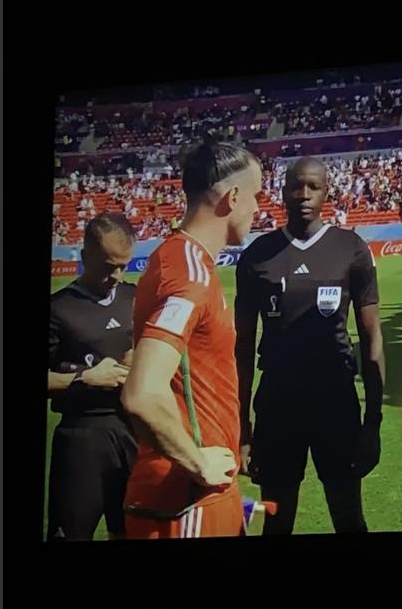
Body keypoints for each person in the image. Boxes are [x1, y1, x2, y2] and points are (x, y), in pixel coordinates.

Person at [235, 157, 385, 535]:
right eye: (296, 186)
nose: (304, 194)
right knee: (276, 521)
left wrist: (373, 423)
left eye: (313, 187)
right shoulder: (257, 255)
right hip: (277, 404)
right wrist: (241, 427)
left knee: (349, 518)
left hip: (336, 401)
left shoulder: (351, 248)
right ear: (282, 191)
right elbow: (241, 346)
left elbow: (372, 339)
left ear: (327, 192)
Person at [120, 142, 262, 539]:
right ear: (233, 197)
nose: (257, 209)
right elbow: (142, 393)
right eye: (255, 197)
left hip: (201, 491)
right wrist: (197, 462)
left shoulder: (183, 261)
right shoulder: (189, 276)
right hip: (187, 497)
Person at [47, 213, 138, 541]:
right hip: (82, 436)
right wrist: (84, 377)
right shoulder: (59, 309)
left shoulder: (134, 298)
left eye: (123, 266)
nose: (116, 275)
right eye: (108, 266)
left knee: (132, 530)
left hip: (132, 430)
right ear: (85, 258)